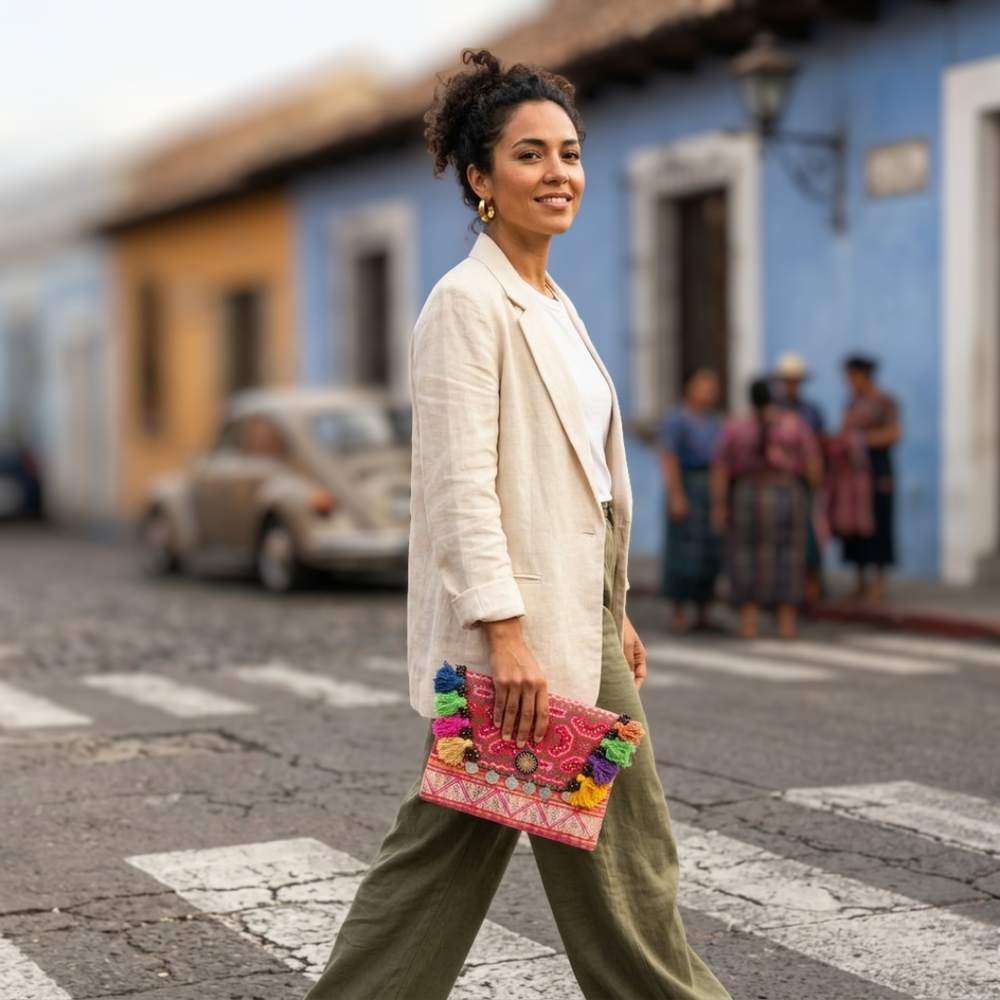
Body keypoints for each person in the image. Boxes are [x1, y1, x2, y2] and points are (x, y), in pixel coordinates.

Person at [303, 50, 731, 1000]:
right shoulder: (465, 304)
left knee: (491, 850)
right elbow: (458, 488)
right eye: (530, 154)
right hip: (521, 629)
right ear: (480, 177)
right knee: (592, 850)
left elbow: (577, 482)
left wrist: (610, 604)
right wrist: (506, 633)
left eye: (570, 153)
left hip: (571, 614)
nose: (559, 173)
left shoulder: (552, 302)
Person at [711, 378, 822, 640]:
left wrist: (719, 504)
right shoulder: (794, 423)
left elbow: (721, 466)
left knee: (745, 556)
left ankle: (750, 624)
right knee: (789, 556)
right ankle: (787, 624)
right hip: (787, 493)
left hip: (748, 493)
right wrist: (811, 496)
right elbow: (814, 462)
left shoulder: (736, 425)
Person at [658, 368, 724, 632]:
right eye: (704, 385)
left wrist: (719, 501)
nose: (710, 391)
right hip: (686, 485)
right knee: (681, 552)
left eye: (714, 386)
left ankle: (703, 610)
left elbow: (721, 460)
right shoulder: (676, 418)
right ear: (689, 387)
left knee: (708, 552)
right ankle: (678, 611)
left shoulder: (717, 420)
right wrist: (676, 495)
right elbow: (669, 457)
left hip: (709, 487)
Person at [841, 354, 901, 603]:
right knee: (855, 522)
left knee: (879, 520)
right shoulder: (852, 402)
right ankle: (860, 581)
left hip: (877, 467)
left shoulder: (884, 400)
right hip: (854, 469)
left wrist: (862, 440)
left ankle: (879, 581)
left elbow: (895, 433)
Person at [773, 352, 826, 603]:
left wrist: (817, 481)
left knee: (809, 531)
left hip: (803, 481)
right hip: (778, 482)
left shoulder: (812, 412)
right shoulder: (773, 411)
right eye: (787, 380)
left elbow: (820, 448)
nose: (790, 385)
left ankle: (813, 580)